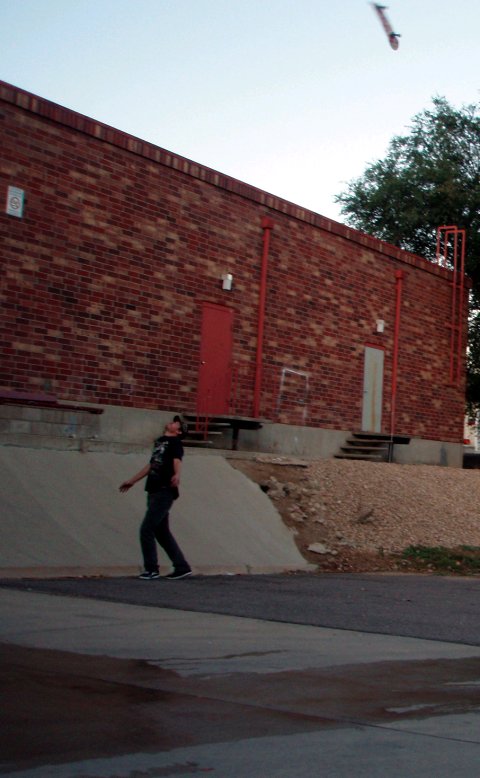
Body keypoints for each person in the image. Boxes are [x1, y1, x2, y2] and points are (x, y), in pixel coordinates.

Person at [119, 416, 192, 580]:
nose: (171, 423)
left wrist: (177, 475)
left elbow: (177, 460)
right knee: (162, 531)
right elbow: (152, 464)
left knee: (146, 529)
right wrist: (132, 481)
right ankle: (181, 566)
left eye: (176, 423)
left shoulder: (175, 443)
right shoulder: (160, 441)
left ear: (178, 431)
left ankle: (151, 569)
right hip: (153, 489)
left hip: (164, 491)